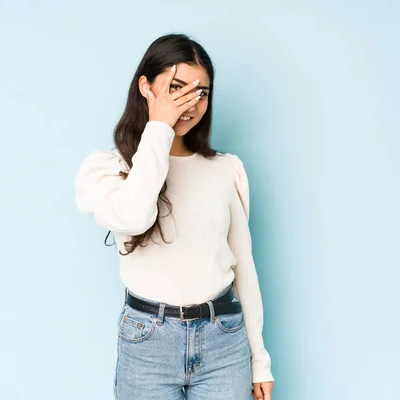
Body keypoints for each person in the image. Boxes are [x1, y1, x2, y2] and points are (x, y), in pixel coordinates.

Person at [74, 33, 275, 400]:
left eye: (202, 92)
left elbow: (244, 267)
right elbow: (134, 216)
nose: (190, 103)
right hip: (148, 341)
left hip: (223, 340)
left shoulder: (225, 170)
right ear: (145, 87)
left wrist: (259, 359)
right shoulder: (108, 169)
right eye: (177, 88)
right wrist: (159, 129)